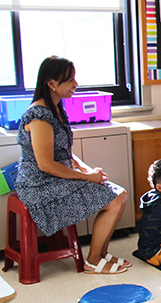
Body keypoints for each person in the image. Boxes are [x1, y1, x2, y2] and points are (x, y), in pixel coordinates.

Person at [15, 56, 129, 275]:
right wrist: (87, 178)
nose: (75, 84)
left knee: (120, 195)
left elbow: (65, 152)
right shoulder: (39, 116)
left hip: (56, 176)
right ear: (51, 83)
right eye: (70, 80)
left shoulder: (56, 109)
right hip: (39, 184)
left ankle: (102, 254)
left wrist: (88, 170)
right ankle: (93, 261)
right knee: (114, 200)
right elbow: (46, 165)